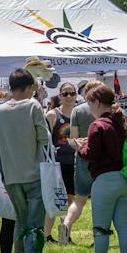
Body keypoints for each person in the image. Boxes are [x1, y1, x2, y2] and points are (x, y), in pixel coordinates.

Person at [0, 68, 53, 253]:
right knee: (35, 226)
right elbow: (44, 138)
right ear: (28, 88)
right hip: (33, 173)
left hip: (11, 177)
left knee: (24, 222)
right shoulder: (33, 106)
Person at [76, 85, 127, 253]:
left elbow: (92, 154)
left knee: (101, 226)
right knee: (124, 225)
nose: (89, 108)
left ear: (98, 103)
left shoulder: (97, 125)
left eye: (90, 104)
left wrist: (80, 147)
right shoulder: (123, 121)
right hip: (126, 179)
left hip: (105, 180)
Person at [58, 80, 94, 244]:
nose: (70, 96)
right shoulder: (110, 108)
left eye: (72, 93)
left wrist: (80, 143)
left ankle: (66, 224)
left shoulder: (77, 111)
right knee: (101, 200)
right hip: (104, 159)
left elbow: (72, 140)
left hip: (82, 158)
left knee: (78, 200)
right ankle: (99, 235)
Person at [43, 83, 78, 243]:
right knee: (55, 200)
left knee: (70, 200)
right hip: (57, 164)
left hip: (74, 162)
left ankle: (65, 235)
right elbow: (45, 139)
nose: (69, 96)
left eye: (72, 93)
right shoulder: (52, 115)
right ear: (60, 95)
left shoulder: (79, 114)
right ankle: (46, 235)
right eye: (65, 93)